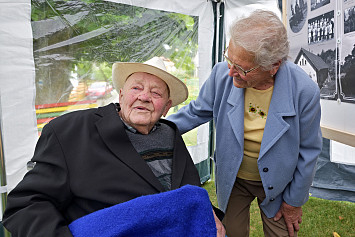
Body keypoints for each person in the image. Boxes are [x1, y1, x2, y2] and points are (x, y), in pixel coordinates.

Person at [2, 57, 225, 236]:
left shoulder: (171, 134)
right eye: (136, 88)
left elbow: (189, 192)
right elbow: (27, 205)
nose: (145, 97)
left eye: (156, 93)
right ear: (121, 95)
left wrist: (209, 214)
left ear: (166, 107)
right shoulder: (70, 130)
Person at [167, 10, 322, 237]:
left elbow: (309, 151)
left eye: (242, 68)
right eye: (229, 59)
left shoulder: (304, 91)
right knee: (230, 233)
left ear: (274, 65)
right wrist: (155, 128)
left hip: (280, 184)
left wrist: (293, 202)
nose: (231, 71)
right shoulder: (223, 74)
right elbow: (195, 113)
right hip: (234, 178)